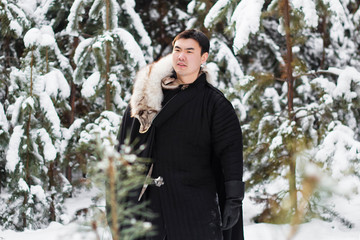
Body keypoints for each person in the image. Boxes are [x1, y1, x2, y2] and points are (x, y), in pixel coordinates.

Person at [117, 29, 244, 240]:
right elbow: (125, 147)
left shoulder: (215, 104)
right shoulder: (147, 98)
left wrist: (233, 199)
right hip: (149, 206)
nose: (181, 56)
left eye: (189, 51)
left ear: (203, 57)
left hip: (195, 206)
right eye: (177, 50)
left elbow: (230, 152)